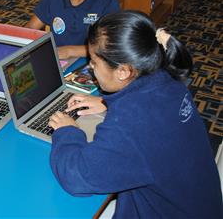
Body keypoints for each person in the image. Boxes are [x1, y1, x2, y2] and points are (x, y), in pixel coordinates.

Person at [48, 11, 222, 218]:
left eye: (94, 62)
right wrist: (107, 103)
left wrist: (68, 131)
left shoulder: (130, 123)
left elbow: (77, 178)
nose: (90, 67)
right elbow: (151, 117)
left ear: (123, 71)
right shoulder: (168, 78)